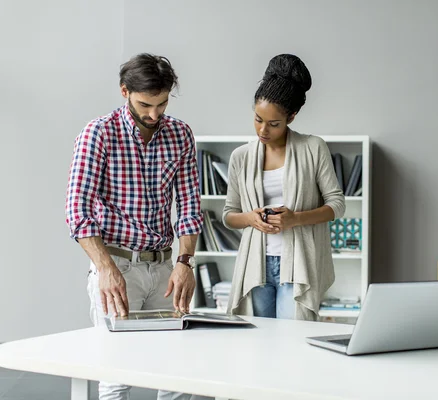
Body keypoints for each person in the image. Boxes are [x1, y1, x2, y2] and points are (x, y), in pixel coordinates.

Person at [65, 53, 201, 400]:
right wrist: (105, 268)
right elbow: (77, 211)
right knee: (116, 373)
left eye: (162, 104)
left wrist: (185, 263)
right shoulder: (98, 134)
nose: (154, 114)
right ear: (124, 91)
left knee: (175, 374)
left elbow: (188, 208)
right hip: (117, 268)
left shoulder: (180, 134)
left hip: (166, 268)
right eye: (145, 104)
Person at [222, 54, 346, 321]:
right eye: (257, 119)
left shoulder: (313, 148)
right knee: (259, 342)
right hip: (256, 265)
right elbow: (229, 215)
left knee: (293, 342)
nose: (262, 130)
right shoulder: (241, 156)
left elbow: (337, 204)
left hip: (298, 264)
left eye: (273, 124)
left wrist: (295, 219)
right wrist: (250, 218)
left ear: (292, 116)